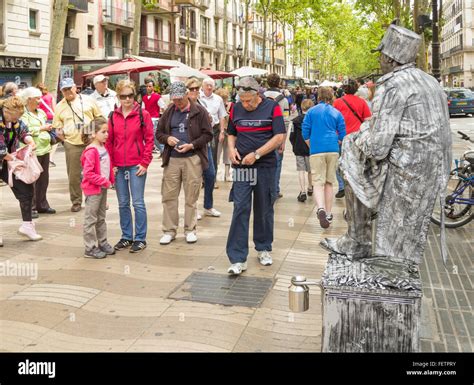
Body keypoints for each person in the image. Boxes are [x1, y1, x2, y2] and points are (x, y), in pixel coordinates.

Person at [321, 24, 452, 265]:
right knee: (354, 149)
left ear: (390, 58)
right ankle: (358, 238)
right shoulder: (429, 81)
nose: (379, 59)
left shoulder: (392, 85)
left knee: (350, 156)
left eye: (381, 54)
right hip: (434, 169)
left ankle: (357, 239)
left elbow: (378, 147)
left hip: (407, 169)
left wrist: (356, 138)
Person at [226, 77, 286, 275]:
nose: (246, 104)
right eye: (242, 100)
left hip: (265, 166)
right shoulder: (235, 108)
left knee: (264, 208)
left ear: (257, 94)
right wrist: (231, 149)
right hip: (243, 166)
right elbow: (231, 132)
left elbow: (279, 136)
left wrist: (258, 154)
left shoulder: (272, 108)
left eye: (249, 100)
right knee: (240, 207)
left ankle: (263, 248)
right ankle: (237, 257)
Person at [156, 81, 213, 245]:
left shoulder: (199, 111)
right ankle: (169, 230)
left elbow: (208, 135)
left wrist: (192, 145)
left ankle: (190, 230)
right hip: (172, 158)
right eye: (174, 99)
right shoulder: (169, 111)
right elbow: (159, 133)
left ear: (187, 94)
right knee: (169, 196)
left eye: (180, 99)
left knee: (191, 197)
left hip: (192, 158)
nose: (177, 102)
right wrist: (168, 139)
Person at [106, 79, 154, 253]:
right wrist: (111, 165)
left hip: (136, 165)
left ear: (134, 95)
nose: (127, 99)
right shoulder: (112, 116)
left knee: (138, 203)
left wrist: (145, 162)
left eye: (130, 95)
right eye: (123, 96)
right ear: (118, 96)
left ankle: (140, 238)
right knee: (123, 203)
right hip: (118, 166)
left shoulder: (143, 114)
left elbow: (149, 140)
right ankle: (126, 236)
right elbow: (108, 142)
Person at [52, 78, 103, 212]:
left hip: (90, 142)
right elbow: (57, 127)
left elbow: (100, 118)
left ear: (75, 87)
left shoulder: (88, 100)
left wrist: (91, 132)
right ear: (61, 91)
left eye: (69, 88)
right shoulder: (59, 106)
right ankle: (76, 201)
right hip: (72, 144)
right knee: (74, 176)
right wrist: (65, 141)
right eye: (64, 90)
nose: (68, 91)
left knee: (93, 173)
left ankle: (96, 200)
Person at [302, 86, 346, 229]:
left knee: (317, 183)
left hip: (316, 149)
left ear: (318, 97)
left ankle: (320, 208)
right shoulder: (337, 112)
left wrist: (311, 145)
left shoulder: (311, 112)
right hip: (333, 149)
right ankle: (328, 213)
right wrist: (337, 141)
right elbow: (343, 133)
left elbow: (305, 132)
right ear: (332, 96)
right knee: (329, 183)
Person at [0, 96, 42, 241]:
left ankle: (27, 226)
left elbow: (23, 131)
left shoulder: (15, 120)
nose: (18, 118)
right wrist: (16, 157)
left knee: (26, 188)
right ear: (7, 111)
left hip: (8, 160)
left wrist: (29, 142)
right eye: (16, 116)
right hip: (6, 157)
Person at [80, 117, 115, 259]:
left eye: (107, 132)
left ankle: (103, 242)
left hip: (102, 189)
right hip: (93, 190)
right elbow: (88, 173)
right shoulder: (91, 151)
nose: (107, 134)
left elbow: (107, 167)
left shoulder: (103, 147)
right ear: (94, 133)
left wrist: (110, 180)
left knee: (101, 218)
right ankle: (89, 248)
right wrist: (104, 181)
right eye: (103, 132)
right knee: (91, 219)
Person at [187, 78, 221, 218]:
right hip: (190, 147)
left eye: (196, 88)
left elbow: (210, 119)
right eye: (191, 89)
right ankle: (193, 209)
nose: (194, 91)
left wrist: (210, 120)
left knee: (210, 175)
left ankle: (208, 206)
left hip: (204, 145)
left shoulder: (202, 103)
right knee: (193, 179)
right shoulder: (183, 106)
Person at [333, 78, 372, 198]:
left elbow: (333, 121)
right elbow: (368, 121)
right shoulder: (362, 102)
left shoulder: (338, 102)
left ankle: (342, 186)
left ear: (344, 89)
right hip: (357, 139)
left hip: (341, 138)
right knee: (356, 163)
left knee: (338, 163)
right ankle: (355, 187)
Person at [20, 87, 56, 216]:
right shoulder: (22, 114)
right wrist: (42, 128)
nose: (40, 101)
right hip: (32, 151)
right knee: (32, 180)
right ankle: (32, 207)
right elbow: (24, 130)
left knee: (43, 179)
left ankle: (42, 204)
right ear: (29, 99)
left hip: (45, 149)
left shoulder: (41, 112)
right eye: (37, 98)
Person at [264, 73, 290, 199]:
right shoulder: (284, 100)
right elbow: (286, 121)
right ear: (279, 83)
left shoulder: (260, 97)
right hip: (277, 134)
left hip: (262, 135)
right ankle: (275, 189)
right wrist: (283, 141)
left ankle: (263, 189)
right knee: (277, 163)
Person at [199, 78, 227, 183]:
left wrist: (222, 132)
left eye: (211, 85)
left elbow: (222, 116)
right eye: (207, 85)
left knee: (213, 155)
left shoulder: (218, 99)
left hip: (213, 130)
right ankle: (201, 179)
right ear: (202, 86)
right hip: (200, 130)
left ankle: (212, 179)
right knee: (200, 154)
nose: (209, 87)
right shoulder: (197, 98)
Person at [289, 99, 314, 202]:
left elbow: (291, 136)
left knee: (301, 170)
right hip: (310, 148)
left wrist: (294, 145)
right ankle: (310, 187)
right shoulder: (313, 120)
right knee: (310, 170)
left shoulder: (295, 121)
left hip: (298, 148)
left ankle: (302, 191)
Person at [141, 78, 166, 154]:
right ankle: (162, 151)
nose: (148, 88)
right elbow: (143, 109)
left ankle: (163, 150)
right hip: (147, 120)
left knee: (155, 137)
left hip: (155, 119)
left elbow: (163, 107)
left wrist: (164, 118)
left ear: (153, 87)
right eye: (147, 86)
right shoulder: (144, 98)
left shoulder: (157, 96)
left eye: (150, 86)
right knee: (149, 137)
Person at [36, 83, 57, 167]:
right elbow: (54, 108)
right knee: (54, 139)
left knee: (44, 137)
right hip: (51, 118)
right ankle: (50, 159)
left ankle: (45, 156)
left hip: (42, 119)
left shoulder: (37, 98)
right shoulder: (50, 96)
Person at [214, 87, 232, 182]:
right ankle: (215, 174)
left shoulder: (231, 106)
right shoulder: (215, 106)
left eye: (225, 98)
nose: (225, 101)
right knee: (217, 153)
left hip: (228, 133)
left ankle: (227, 174)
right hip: (218, 132)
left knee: (228, 153)